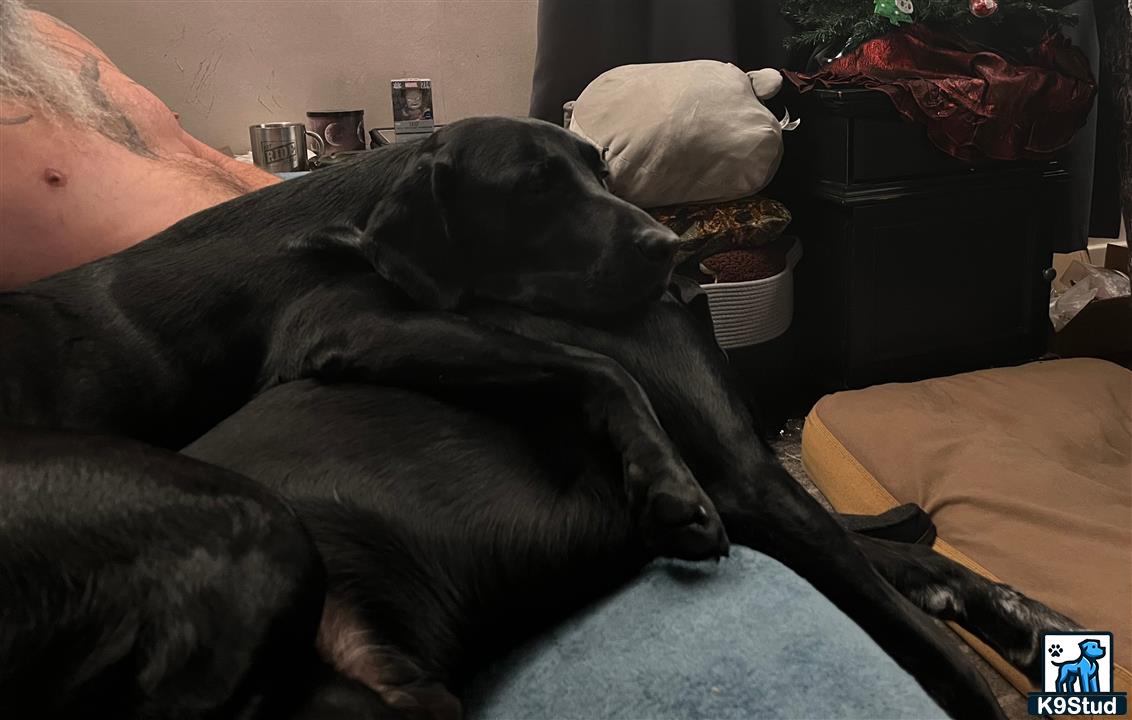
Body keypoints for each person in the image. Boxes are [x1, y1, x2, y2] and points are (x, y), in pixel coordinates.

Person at [0, 0, 278, 290]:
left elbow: (194, 155)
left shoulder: (45, 33)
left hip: (292, 264)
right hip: (195, 311)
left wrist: (303, 213)